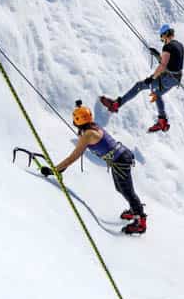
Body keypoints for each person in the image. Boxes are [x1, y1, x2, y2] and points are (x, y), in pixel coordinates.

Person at [42, 101, 147, 235]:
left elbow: (73, 157)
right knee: (120, 188)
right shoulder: (92, 127)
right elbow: (86, 129)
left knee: (126, 190)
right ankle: (135, 209)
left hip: (120, 160)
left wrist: (55, 170)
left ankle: (140, 220)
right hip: (121, 157)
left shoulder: (87, 135)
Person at [100, 23, 184, 133]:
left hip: (167, 78)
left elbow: (163, 65)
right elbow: (172, 63)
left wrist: (152, 78)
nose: (162, 39)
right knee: (157, 94)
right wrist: (157, 55)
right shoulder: (180, 45)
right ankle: (162, 121)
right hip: (175, 79)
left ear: (165, 35)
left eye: (162, 37)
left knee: (139, 86)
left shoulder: (167, 47)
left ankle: (116, 104)